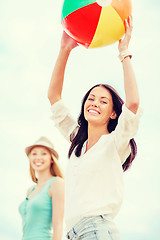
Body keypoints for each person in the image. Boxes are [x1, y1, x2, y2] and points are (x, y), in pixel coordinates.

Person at [48, 16, 142, 240]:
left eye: (103, 101)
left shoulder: (116, 142)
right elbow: (54, 97)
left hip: (97, 230)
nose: (94, 103)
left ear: (113, 113)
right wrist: (65, 49)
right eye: (91, 98)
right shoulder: (77, 143)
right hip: (73, 233)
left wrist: (124, 53)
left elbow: (133, 104)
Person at [19, 136, 65, 240]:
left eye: (44, 153)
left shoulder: (56, 183)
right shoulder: (30, 190)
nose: (38, 157)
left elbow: (58, 226)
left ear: (51, 159)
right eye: (34, 153)